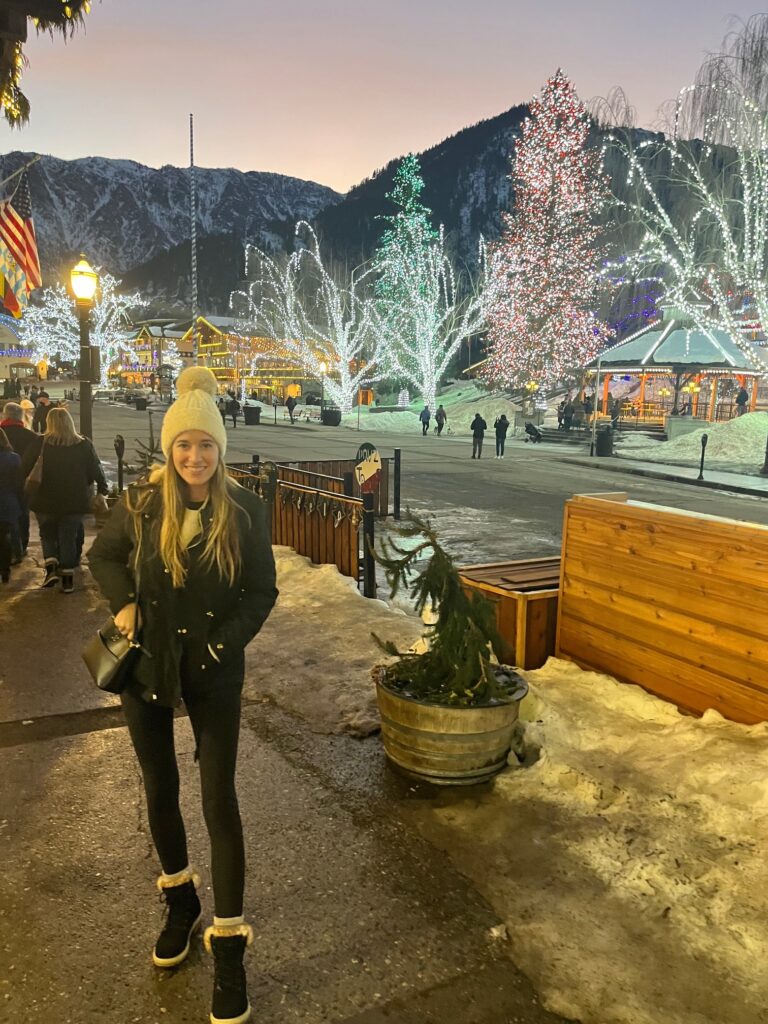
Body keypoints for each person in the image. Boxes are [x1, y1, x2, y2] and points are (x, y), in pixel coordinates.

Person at [88, 367, 278, 1024]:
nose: (194, 457)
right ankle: (180, 901)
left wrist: (221, 645)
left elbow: (261, 594)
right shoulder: (141, 505)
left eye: (205, 445)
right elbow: (102, 557)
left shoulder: (247, 509)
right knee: (158, 787)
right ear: (169, 449)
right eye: (182, 445)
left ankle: (228, 942)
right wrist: (125, 606)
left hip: (215, 672)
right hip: (146, 667)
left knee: (218, 799)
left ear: (220, 449)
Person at [28, 407, 108, 593]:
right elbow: (96, 469)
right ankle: (67, 580)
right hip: (74, 500)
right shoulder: (83, 444)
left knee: (47, 533)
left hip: (45, 500)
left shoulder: (40, 443)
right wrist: (102, 488)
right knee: (68, 536)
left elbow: (25, 467)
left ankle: (50, 569)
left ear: (49, 423)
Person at [0, 402, 39, 558]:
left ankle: (8, 550)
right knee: (22, 515)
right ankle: (21, 546)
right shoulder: (32, 437)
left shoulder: (2, 433)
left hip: (4, 483)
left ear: (5, 415)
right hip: (26, 483)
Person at [0, 428, 22, 584]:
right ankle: (5, 570)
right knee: (3, 537)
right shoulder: (14, 458)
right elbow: (19, 484)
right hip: (7, 502)